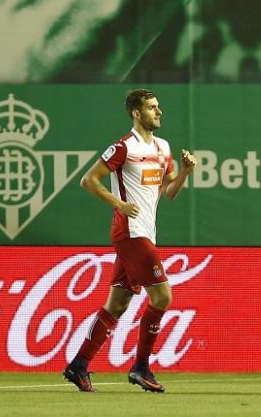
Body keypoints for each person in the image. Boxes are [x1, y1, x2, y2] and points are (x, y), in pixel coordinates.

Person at [63, 89, 197, 393]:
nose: (158, 112)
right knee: (162, 298)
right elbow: (88, 180)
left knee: (118, 303)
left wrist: (186, 171)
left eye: (158, 106)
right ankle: (141, 367)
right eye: (151, 108)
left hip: (145, 232)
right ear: (136, 114)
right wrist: (118, 204)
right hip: (130, 231)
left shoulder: (163, 147)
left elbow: (169, 192)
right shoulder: (124, 147)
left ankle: (79, 365)